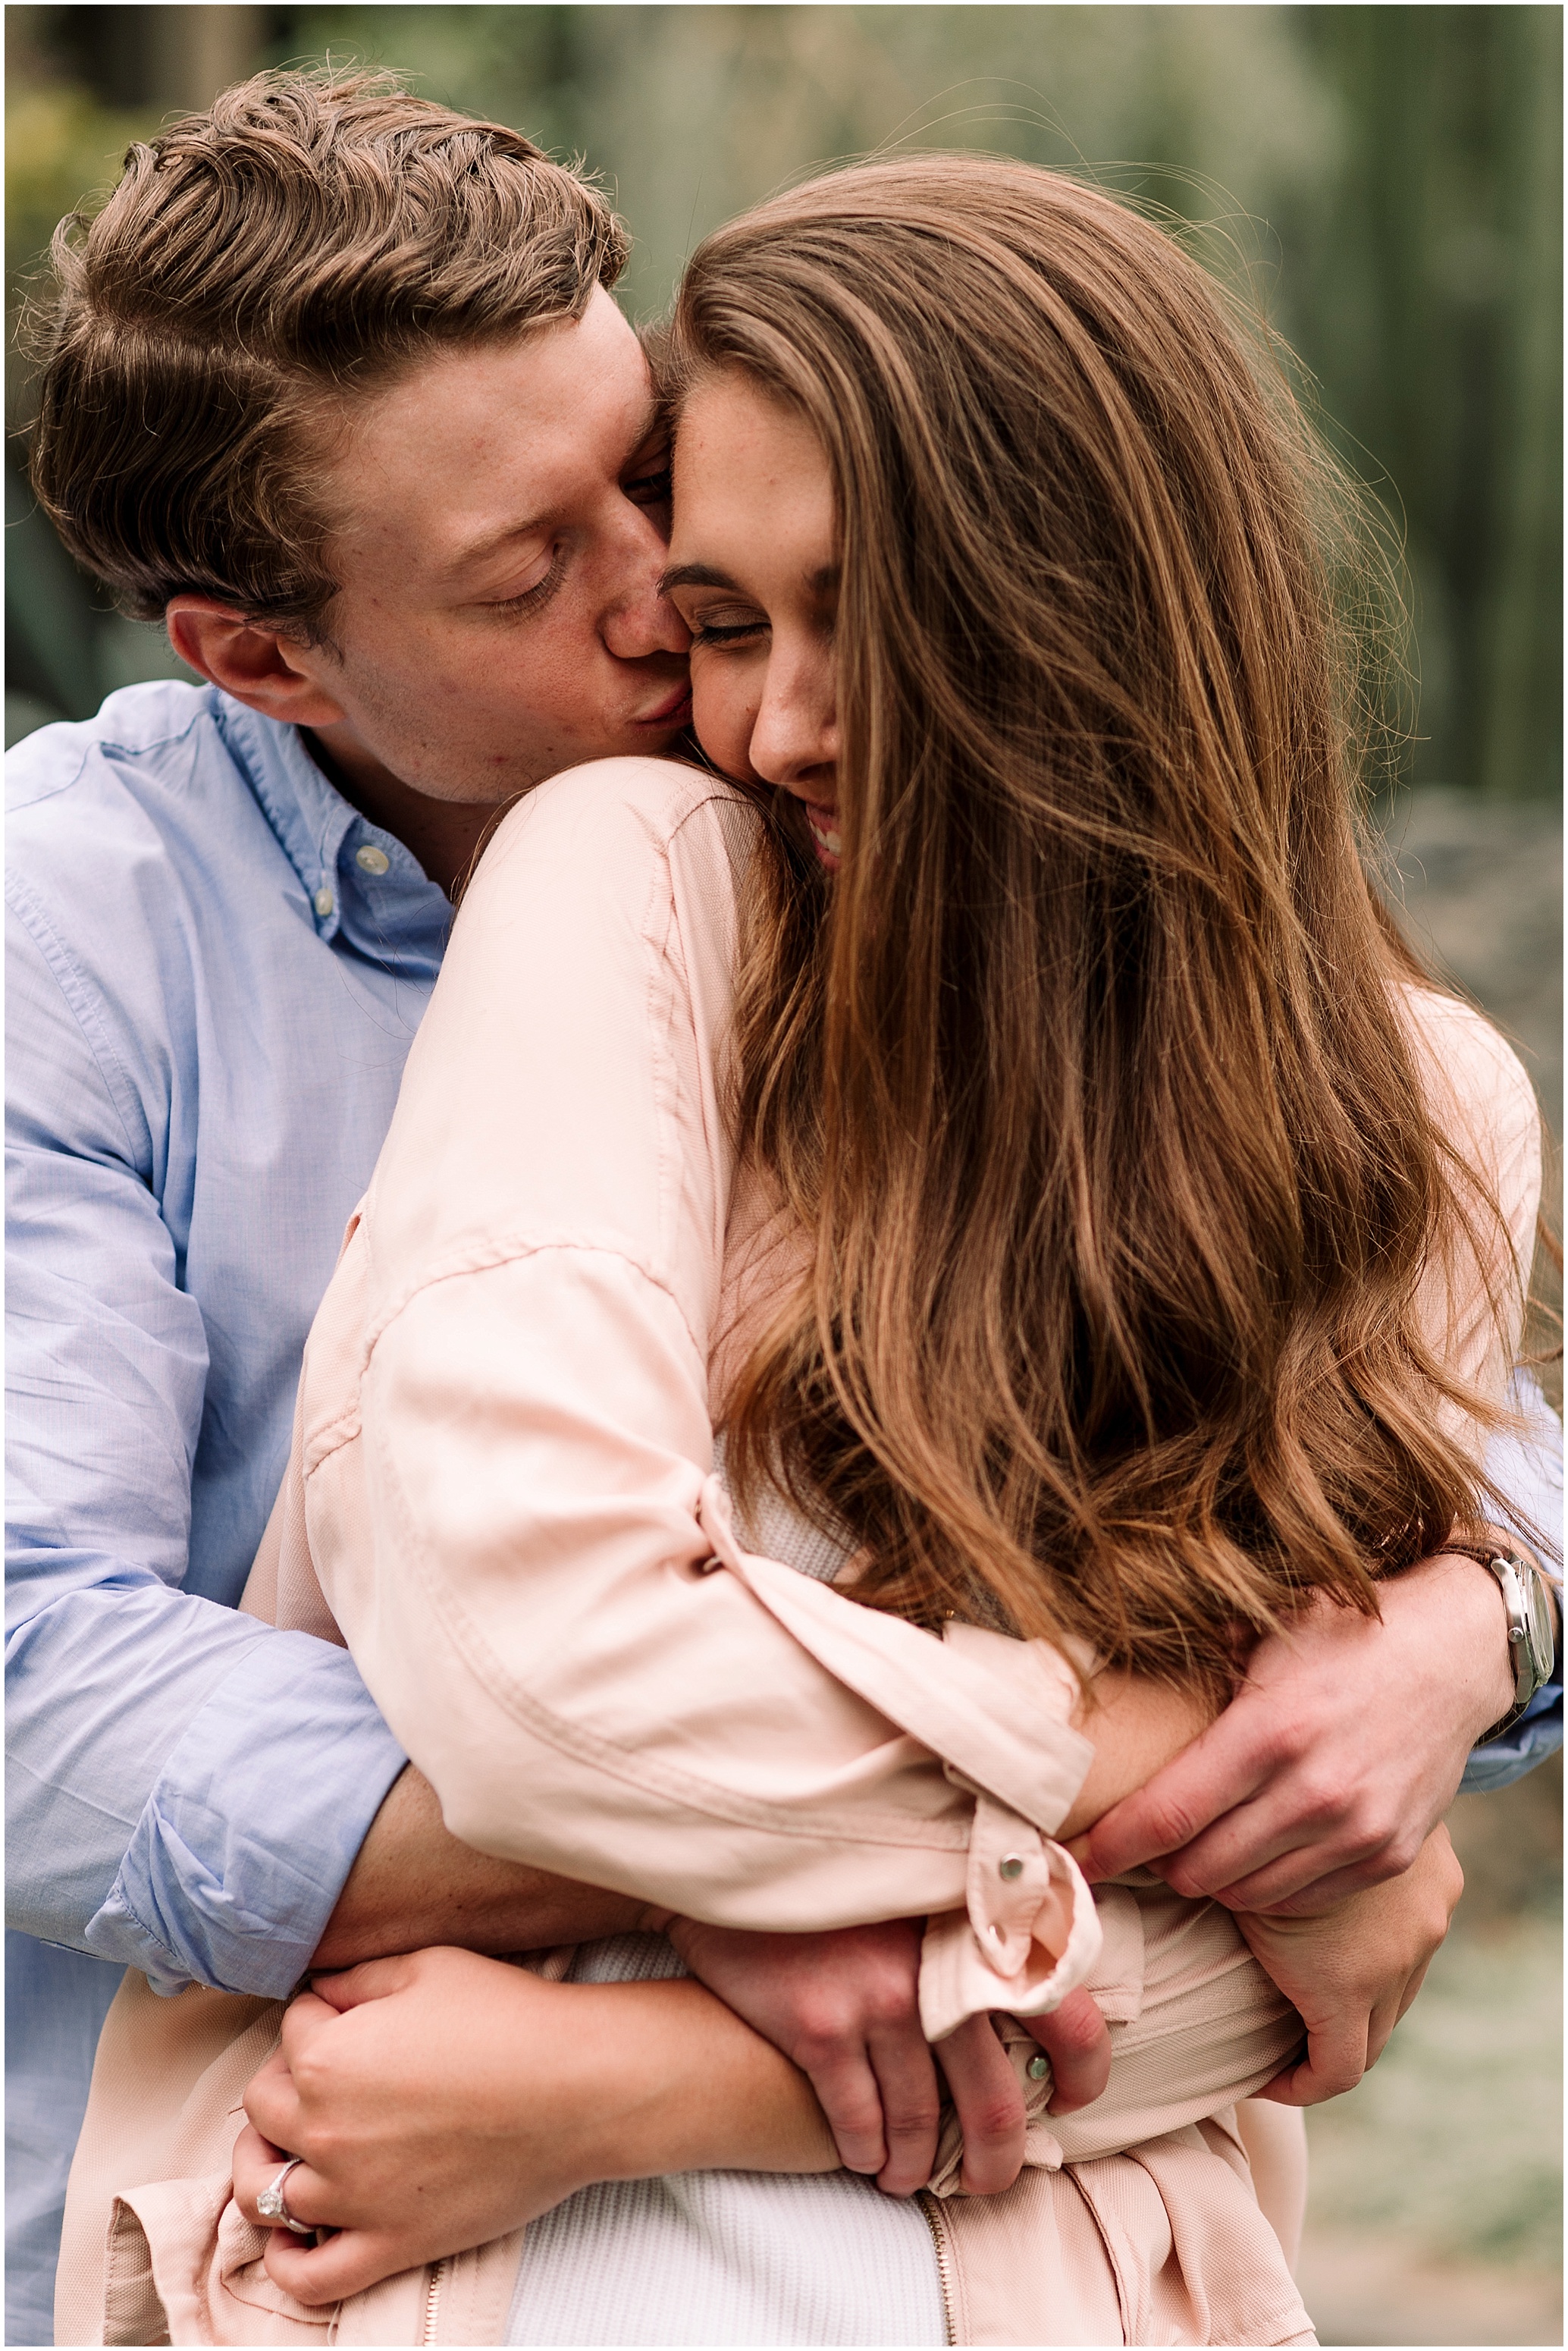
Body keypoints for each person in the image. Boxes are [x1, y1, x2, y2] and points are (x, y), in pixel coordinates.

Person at [10, 71, 1559, 2346]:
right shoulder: (86, 928)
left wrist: (1483, 1612)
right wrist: (821, 1850)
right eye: (537, 571)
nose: (677, 619)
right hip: (291, 2183)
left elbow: (1404, 1427)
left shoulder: (999, 945)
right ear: (257, 653)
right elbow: (36, 1690)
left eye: (644, 481)